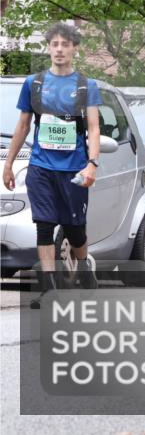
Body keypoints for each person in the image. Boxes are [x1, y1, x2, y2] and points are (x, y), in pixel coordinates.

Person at [2, 23, 103, 308]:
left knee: (74, 229)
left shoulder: (86, 86)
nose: (59, 50)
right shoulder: (33, 84)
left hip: (74, 169)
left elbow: (93, 128)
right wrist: (9, 164)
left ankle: (84, 266)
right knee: (44, 226)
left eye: (65, 45)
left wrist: (92, 164)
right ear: (48, 48)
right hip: (41, 167)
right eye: (54, 44)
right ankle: (49, 288)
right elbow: (23, 126)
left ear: (74, 49)